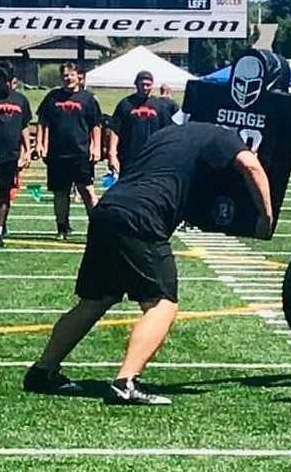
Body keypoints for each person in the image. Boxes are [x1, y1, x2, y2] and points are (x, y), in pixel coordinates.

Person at [23, 122, 273, 405]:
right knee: (162, 302)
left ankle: (43, 371)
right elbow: (250, 166)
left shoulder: (166, 135)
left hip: (108, 208)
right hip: (141, 216)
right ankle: (126, 381)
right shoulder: (223, 136)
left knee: (95, 300)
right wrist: (265, 215)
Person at [36, 62, 101, 240]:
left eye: (71, 75)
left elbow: (95, 125)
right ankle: (62, 227)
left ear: (79, 77)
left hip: (81, 152)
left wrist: (95, 147)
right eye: (65, 75)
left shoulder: (88, 98)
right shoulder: (52, 97)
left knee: (87, 190)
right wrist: (40, 144)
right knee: (60, 192)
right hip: (57, 153)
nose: (68, 78)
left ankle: (96, 226)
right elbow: (43, 121)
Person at [0, 61, 32, 247]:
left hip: (11, 155)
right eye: (5, 81)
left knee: (4, 193)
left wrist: (26, 151)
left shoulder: (20, 100)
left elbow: (24, 126)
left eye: (11, 81)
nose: (9, 85)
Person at [107, 71, 173, 175]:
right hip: (129, 157)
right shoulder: (125, 104)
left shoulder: (160, 106)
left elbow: (167, 132)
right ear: (136, 84)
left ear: (152, 85)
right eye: (142, 84)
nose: (145, 88)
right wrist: (112, 154)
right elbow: (115, 130)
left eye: (148, 85)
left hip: (152, 157)